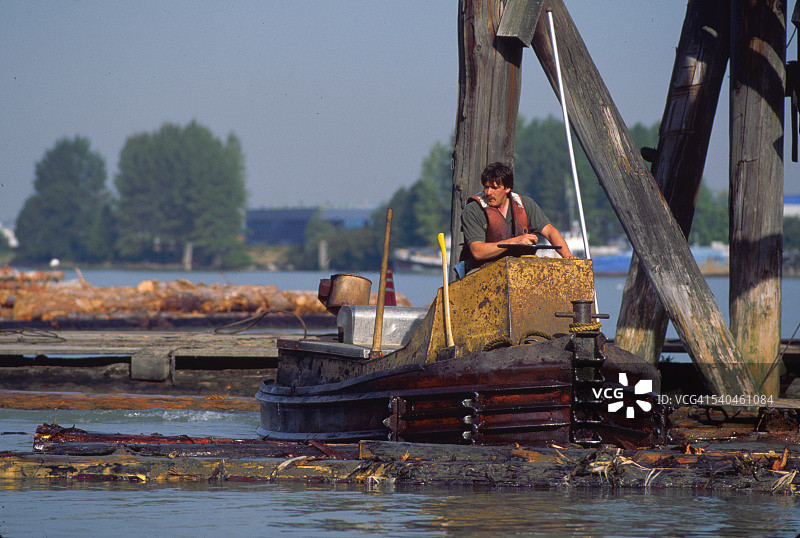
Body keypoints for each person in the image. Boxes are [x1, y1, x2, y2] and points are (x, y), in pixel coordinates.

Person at [461, 162, 577, 273]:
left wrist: (568, 256)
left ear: (507, 188)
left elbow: (550, 232)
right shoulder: (473, 210)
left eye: (494, 188)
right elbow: (478, 252)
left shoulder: (525, 205)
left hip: (520, 268)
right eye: (486, 187)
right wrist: (516, 241)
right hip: (482, 271)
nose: (488, 192)